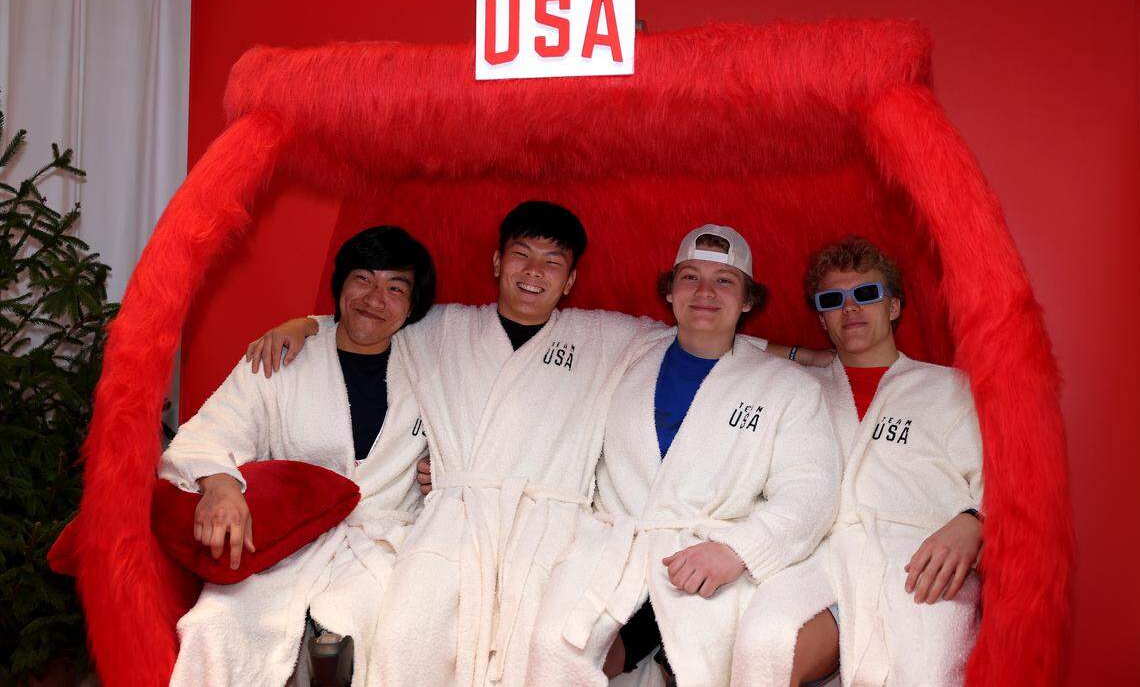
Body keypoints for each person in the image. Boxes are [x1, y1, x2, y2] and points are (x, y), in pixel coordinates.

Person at [246, 203, 825, 686]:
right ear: (498, 261)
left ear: (570, 280)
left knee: (535, 657)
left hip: (551, 530)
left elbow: (709, 338)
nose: (534, 272)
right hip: (455, 520)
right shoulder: (443, 327)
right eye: (521, 254)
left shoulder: (604, 336)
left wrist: (810, 357)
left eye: (553, 262)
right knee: (404, 639)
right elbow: (371, 319)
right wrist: (307, 324)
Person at [523, 225, 841, 687]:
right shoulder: (626, 354)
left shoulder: (787, 388)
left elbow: (812, 491)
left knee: (712, 663)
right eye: (690, 277)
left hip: (711, 561)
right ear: (670, 292)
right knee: (549, 647)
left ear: (748, 299)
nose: (706, 292)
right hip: (616, 552)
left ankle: (661, 652)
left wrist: (737, 551)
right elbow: (550, 413)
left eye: (725, 281)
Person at [158, 226, 435, 687]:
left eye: (395, 288)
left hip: (382, 546)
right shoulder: (282, 358)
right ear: (340, 285)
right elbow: (208, 432)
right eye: (362, 279)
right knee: (212, 626)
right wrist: (221, 486)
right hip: (284, 545)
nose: (374, 298)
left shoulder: (433, 367)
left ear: (412, 306)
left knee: (376, 633)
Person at [732, 236, 983, 687]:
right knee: (763, 647)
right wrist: (803, 355)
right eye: (833, 301)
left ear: (893, 307)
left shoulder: (950, 390)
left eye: (866, 294)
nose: (851, 308)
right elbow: (716, 342)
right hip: (822, 560)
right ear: (823, 319)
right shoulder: (798, 387)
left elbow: (1010, 486)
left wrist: (974, 522)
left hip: (919, 566)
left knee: (925, 675)